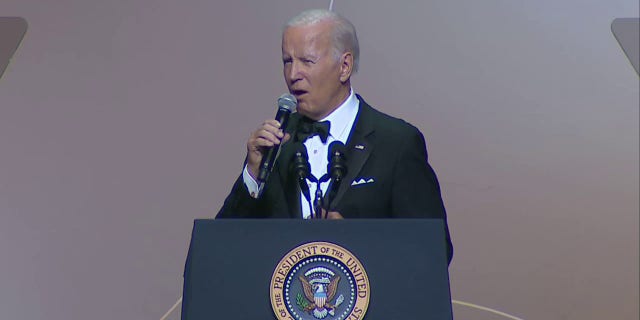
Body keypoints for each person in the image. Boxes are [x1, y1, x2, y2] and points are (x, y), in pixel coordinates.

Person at [216, 9, 453, 263]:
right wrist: (252, 177)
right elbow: (221, 249)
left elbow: (434, 250)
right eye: (287, 61)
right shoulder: (275, 145)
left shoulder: (396, 143)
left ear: (344, 66)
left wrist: (357, 243)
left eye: (307, 61)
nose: (293, 73)